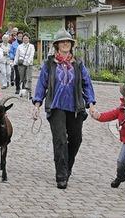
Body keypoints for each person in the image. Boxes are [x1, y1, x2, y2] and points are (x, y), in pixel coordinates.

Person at [32, 29, 96, 189]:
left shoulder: (78, 64)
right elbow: (42, 84)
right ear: (57, 45)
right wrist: (37, 104)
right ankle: (61, 175)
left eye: (68, 41)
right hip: (56, 106)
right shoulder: (49, 64)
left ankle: (67, 167)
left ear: (71, 45)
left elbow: (87, 83)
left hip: (75, 107)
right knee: (60, 140)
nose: (66, 44)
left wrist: (91, 103)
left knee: (76, 139)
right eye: (62, 41)